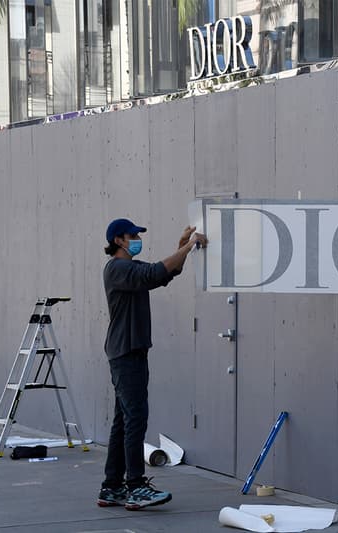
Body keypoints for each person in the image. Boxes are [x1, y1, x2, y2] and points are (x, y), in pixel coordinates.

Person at [97, 218, 207, 510]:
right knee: (135, 420)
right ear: (119, 240)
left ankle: (111, 487)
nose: (137, 239)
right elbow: (154, 272)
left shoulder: (130, 269)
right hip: (126, 353)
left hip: (128, 352)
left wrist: (183, 247)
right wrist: (189, 246)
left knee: (123, 421)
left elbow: (161, 275)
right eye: (132, 235)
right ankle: (135, 487)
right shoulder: (118, 268)